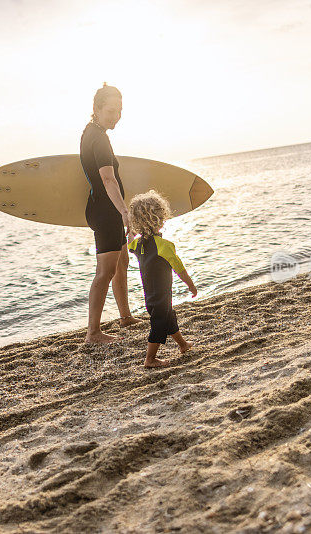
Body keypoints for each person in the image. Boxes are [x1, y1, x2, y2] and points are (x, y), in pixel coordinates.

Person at [80, 83, 141, 344]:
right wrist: (125, 212)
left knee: (121, 264)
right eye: (110, 111)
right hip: (106, 212)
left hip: (108, 210)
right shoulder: (99, 138)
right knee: (105, 271)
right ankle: (93, 333)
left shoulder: (91, 133)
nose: (116, 116)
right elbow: (107, 179)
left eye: (119, 111)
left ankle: (125, 316)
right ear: (96, 109)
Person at [127, 190, 196, 368]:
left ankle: (182, 345)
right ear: (161, 218)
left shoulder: (137, 245)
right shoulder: (165, 246)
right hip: (161, 296)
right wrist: (191, 287)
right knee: (159, 325)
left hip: (150, 297)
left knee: (169, 317)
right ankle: (150, 359)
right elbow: (180, 269)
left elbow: (130, 244)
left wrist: (129, 232)